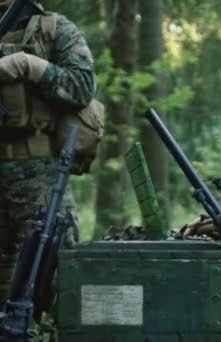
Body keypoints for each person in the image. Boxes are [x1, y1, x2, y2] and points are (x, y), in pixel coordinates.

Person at [0, 0, 96, 303]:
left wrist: (31, 66)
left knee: (54, 278)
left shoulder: (53, 29)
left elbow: (82, 86)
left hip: (38, 174)